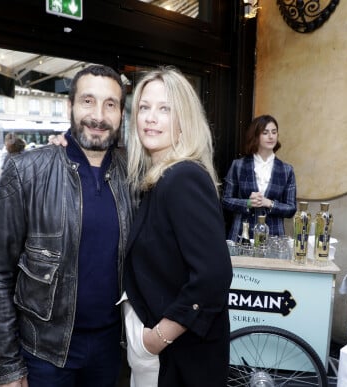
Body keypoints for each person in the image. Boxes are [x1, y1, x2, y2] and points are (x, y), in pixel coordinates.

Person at [0, 64, 134, 387]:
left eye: (110, 104)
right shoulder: (26, 172)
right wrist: (8, 366)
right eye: (88, 101)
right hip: (44, 353)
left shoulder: (133, 176)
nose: (98, 115)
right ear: (70, 107)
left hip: (112, 350)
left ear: (121, 113)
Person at [121, 66, 232, 387]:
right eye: (144, 107)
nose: (150, 118)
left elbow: (213, 276)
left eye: (164, 109)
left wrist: (157, 338)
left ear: (184, 121)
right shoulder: (157, 179)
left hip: (180, 357)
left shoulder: (182, 177)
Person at [222, 114, 297, 241]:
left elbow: (291, 209)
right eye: (265, 132)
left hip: (274, 238)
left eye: (274, 132)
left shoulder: (286, 170)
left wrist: (270, 203)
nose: (271, 136)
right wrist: (248, 203)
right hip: (241, 235)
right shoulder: (238, 165)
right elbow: (226, 201)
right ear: (256, 136)